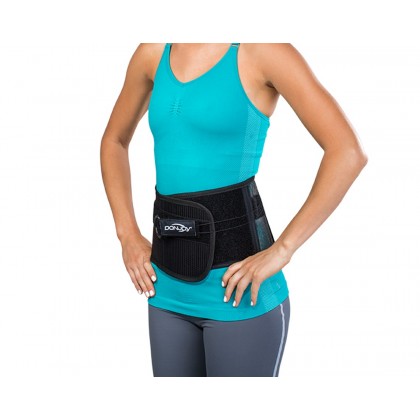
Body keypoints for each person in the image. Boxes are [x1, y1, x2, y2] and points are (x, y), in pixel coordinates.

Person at [100, 43, 368, 377]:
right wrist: (126, 233)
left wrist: (283, 249)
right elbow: (114, 140)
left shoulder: (264, 50)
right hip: (165, 291)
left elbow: (348, 151)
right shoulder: (153, 52)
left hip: (240, 295)